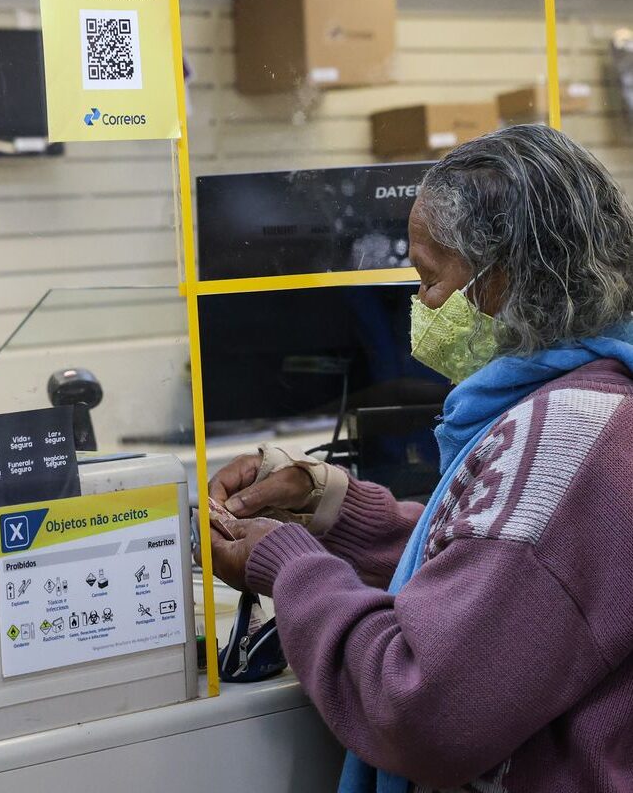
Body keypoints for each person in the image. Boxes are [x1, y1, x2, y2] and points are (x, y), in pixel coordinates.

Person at [207, 124, 633, 792]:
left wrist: (290, 569)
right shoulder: (606, 396)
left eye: (430, 279)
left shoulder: (566, 434)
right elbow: (520, 581)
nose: (422, 307)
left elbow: (425, 707)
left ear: (505, 278)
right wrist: (336, 512)